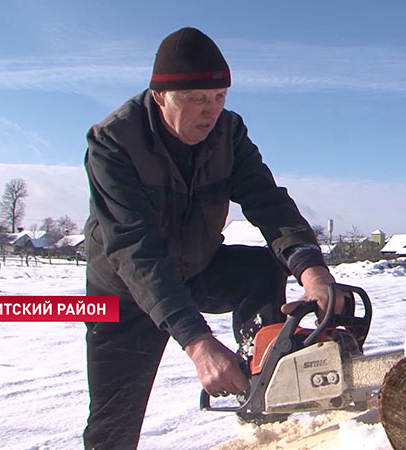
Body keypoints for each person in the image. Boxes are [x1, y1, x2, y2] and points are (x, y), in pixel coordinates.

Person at [82, 27, 342, 450]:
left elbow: (268, 203)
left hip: (198, 266)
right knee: (113, 425)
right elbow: (135, 249)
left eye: (219, 97)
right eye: (197, 99)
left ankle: (265, 371)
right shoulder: (113, 143)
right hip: (125, 293)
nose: (211, 111)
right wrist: (199, 342)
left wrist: (313, 271)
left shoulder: (228, 133)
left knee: (259, 268)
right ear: (161, 95)